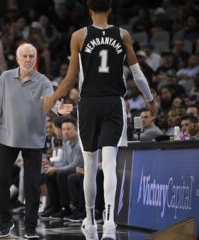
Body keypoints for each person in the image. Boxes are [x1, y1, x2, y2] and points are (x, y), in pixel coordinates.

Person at [43, 1, 156, 239]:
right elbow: (137, 73)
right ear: (111, 9)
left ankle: (90, 221)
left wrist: (52, 100)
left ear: (89, 11)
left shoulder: (79, 36)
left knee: (91, 167)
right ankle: (110, 224)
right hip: (114, 103)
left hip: (89, 104)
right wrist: (149, 98)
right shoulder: (123, 34)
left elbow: (70, 77)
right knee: (111, 165)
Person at [0, 43, 72, 239]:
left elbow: (51, 103)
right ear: (17, 59)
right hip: (8, 138)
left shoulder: (43, 81)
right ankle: (5, 222)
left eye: (31, 56)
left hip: (34, 140)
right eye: (24, 56)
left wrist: (58, 109)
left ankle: (31, 227)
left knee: (32, 184)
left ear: (36, 58)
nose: (28, 59)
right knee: (1, 180)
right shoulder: (5, 78)